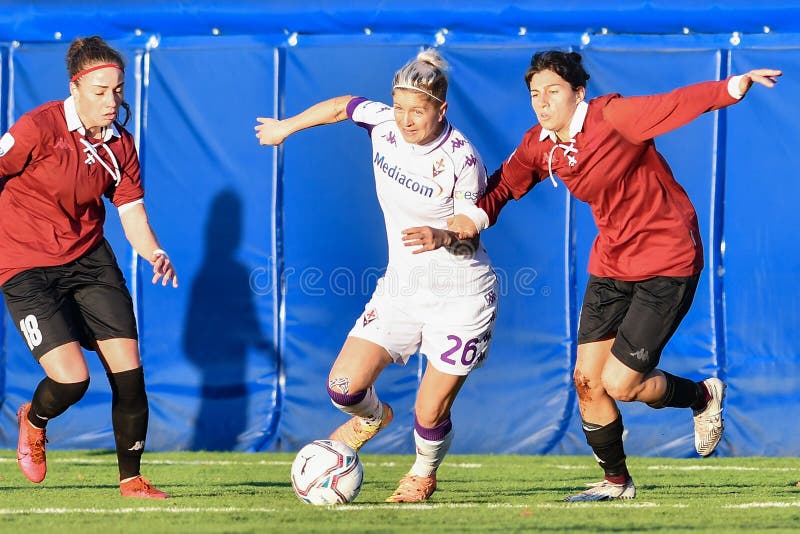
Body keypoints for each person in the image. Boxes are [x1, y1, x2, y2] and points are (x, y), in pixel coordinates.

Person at [447, 50, 781, 501]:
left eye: (553, 91)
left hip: (668, 258)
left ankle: (701, 397)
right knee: (587, 380)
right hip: (612, 263)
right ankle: (616, 483)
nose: (542, 102)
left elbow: (675, 102)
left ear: (578, 93)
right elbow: (507, 182)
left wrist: (732, 86)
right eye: (534, 94)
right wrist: (473, 217)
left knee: (621, 384)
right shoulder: (540, 144)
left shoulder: (612, 116)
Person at [255, 49, 498, 503]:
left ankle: (423, 474)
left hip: (461, 294)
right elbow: (342, 105)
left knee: (428, 410)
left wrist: (441, 236)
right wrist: (286, 127)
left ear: (441, 110)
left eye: (418, 111)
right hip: (402, 289)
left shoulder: (463, 160)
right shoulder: (383, 122)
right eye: (400, 107)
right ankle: (372, 418)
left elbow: (469, 233)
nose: (406, 120)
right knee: (343, 388)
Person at [0, 36, 178, 499]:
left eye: (117, 90)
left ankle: (131, 479)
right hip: (24, 263)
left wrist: (154, 251)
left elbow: (132, 214)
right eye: (100, 92)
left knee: (128, 370)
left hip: (89, 260)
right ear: (75, 88)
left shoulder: (121, 144)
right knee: (72, 379)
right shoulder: (38, 127)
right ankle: (33, 419)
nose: (111, 101)